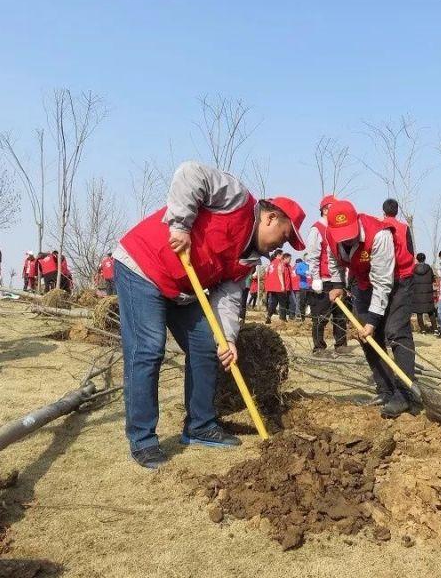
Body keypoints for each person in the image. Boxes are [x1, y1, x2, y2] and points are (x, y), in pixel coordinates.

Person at [113, 161, 305, 469]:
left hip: (182, 289)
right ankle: (143, 439)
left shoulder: (249, 259)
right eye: (283, 237)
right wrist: (180, 225)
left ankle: (200, 425)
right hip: (143, 266)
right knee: (148, 349)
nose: (279, 247)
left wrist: (227, 338)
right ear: (270, 218)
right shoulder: (238, 199)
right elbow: (190, 173)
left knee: (206, 344)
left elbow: (228, 298)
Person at [325, 199, 417, 418]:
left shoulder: (379, 234)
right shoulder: (330, 236)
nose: (347, 240)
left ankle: (404, 394)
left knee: (395, 332)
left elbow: (383, 283)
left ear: (357, 222)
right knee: (365, 335)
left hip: (397, 280)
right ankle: (385, 390)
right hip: (364, 282)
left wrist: (373, 321)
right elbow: (334, 261)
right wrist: (337, 285)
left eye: (350, 234)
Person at [305, 195, 349, 356]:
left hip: (337, 280)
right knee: (320, 315)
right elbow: (312, 255)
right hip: (323, 280)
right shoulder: (317, 229)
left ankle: (341, 343)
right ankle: (319, 347)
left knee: (339, 314)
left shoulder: (338, 229)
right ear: (325, 210)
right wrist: (315, 277)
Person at [411, 253, 436, 333]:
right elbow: (432, 279)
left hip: (417, 293)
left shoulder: (413, 269)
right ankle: (435, 328)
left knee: (419, 312)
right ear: (425, 258)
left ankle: (423, 330)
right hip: (427, 292)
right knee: (430, 311)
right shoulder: (429, 268)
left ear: (417, 259)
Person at [264, 249, 288, 324]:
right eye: (282, 255)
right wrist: (282, 285)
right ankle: (283, 319)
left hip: (271, 286)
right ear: (278, 255)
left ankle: (269, 316)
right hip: (278, 286)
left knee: (273, 303)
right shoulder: (279, 263)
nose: (283, 256)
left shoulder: (271, 263)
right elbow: (280, 273)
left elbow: (267, 274)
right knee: (282, 303)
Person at [294, 257, 310, 321]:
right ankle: (303, 317)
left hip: (312, 286)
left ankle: (314, 317)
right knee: (302, 302)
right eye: (306, 258)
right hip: (303, 286)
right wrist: (305, 272)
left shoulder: (312, 264)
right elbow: (297, 271)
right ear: (304, 259)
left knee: (312, 302)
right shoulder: (300, 264)